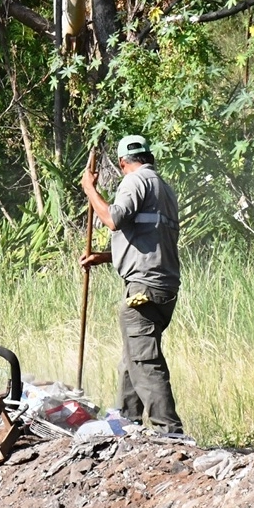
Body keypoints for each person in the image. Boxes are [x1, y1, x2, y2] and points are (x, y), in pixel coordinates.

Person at [80, 134, 184, 434]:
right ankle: (127, 420)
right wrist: (102, 257)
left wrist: (90, 189)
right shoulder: (164, 188)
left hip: (143, 286)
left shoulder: (134, 181)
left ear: (124, 162)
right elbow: (149, 240)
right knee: (132, 355)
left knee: (144, 359)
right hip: (164, 285)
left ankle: (171, 432)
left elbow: (113, 219)